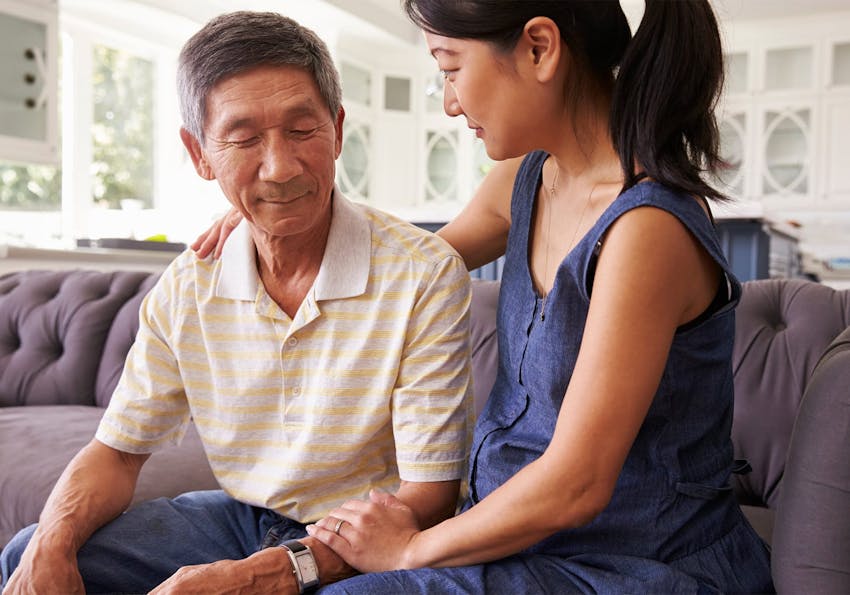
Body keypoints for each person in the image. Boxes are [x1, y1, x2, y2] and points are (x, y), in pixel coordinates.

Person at [193, 1, 776, 593]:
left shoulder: (647, 229)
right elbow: (398, 269)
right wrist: (276, 219)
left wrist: (411, 549)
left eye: (450, 68)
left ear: (539, 49)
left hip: (630, 566)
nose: (450, 102)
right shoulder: (528, 178)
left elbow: (578, 484)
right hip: (515, 544)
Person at [0, 11, 474, 595]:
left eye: (302, 129)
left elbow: (429, 497)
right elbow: (116, 454)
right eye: (245, 139)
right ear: (199, 153)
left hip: (370, 539)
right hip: (242, 518)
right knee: (31, 554)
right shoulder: (188, 287)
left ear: (337, 129)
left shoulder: (423, 274)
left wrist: (269, 573)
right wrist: (52, 544)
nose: (280, 168)